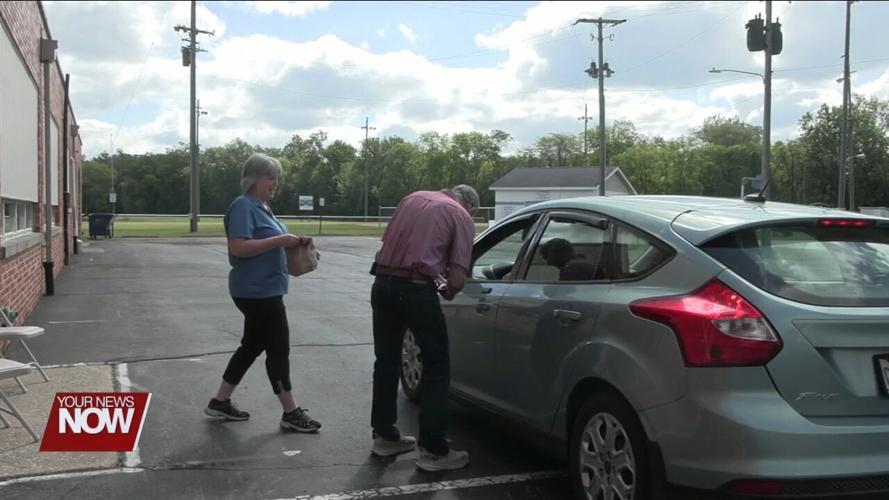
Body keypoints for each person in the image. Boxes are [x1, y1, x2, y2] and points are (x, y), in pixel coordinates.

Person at [204, 152, 322, 433]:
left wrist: (296, 246)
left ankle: (220, 401)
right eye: (271, 177)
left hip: (266, 289)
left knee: (252, 345)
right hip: (256, 292)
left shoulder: (263, 207)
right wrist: (280, 240)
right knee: (278, 348)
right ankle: (290, 412)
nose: (275, 183)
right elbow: (239, 247)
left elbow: (269, 242)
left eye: (276, 177)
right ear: (254, 179)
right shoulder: (243, 206)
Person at [369, 184, 479, 471]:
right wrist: (448, 289)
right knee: (436, 365)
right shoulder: (461, 215)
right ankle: (433, 450)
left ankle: (384, 436)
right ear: (471, 207)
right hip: (416, 290)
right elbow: (457, 280)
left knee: (386, 361)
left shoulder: (412, 198)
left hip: (382, 283)